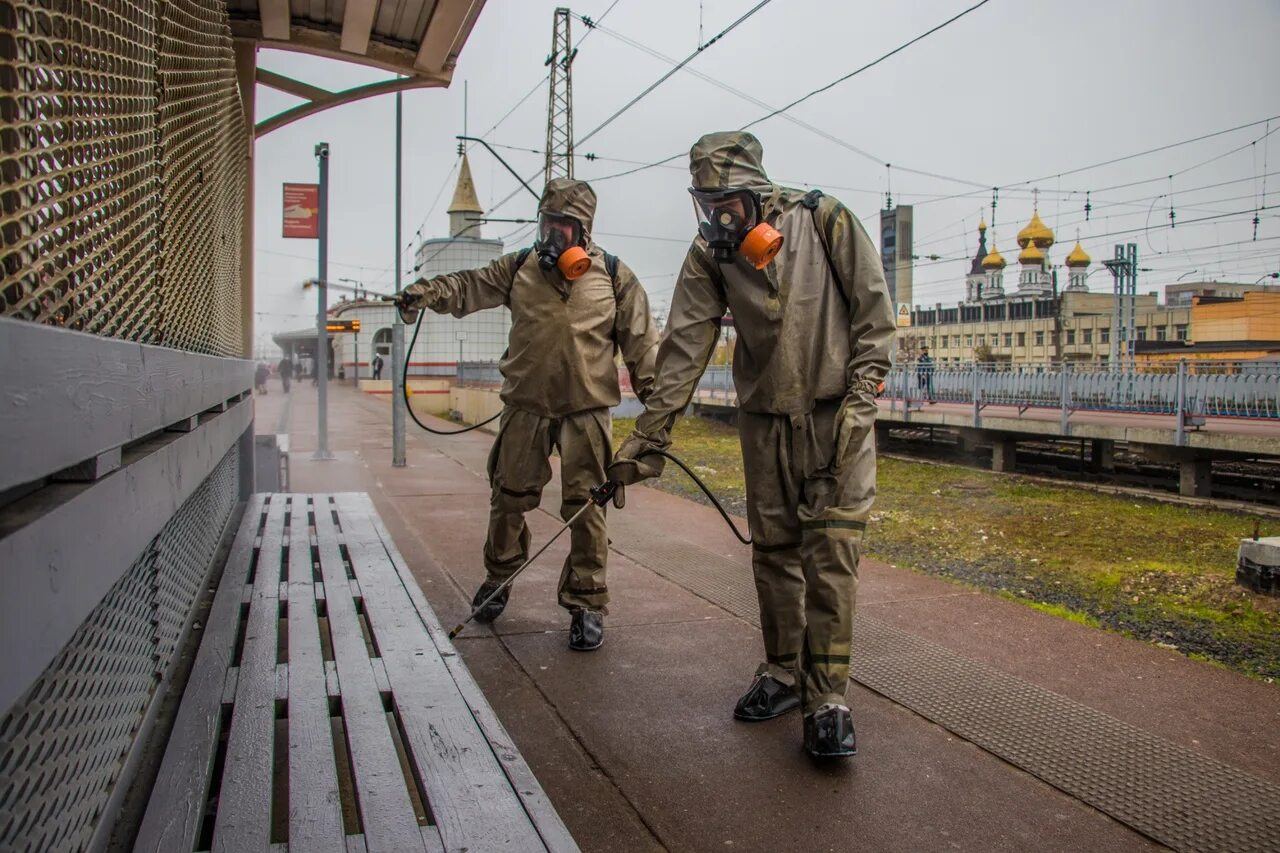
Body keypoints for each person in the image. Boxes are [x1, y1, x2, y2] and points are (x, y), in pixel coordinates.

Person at [607, 131, 894, 758]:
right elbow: (683, 349)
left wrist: (859, 406)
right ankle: (785, 674)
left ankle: (829, 701)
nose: (718, 219)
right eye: (706, 206)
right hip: (764, 422)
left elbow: (876, 321)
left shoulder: (825, 222)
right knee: (774, 554)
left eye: (728, 207)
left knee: (831, 556)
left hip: (835, 417)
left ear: (758, 197)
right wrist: (646, 440)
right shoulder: (711, 254)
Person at [397, 178, 659, 651]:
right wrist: (425, 292)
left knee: (588, 509)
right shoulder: (518, 267)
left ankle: (586, 603)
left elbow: (644, 349)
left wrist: (657, 417)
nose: (552, 234)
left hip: (587, 413)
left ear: (584, 230)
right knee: (509, 499)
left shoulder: (615, 277)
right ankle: (497, 582)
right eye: (546, 223)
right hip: (525, 408)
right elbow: (467, 286)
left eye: (563, 225)